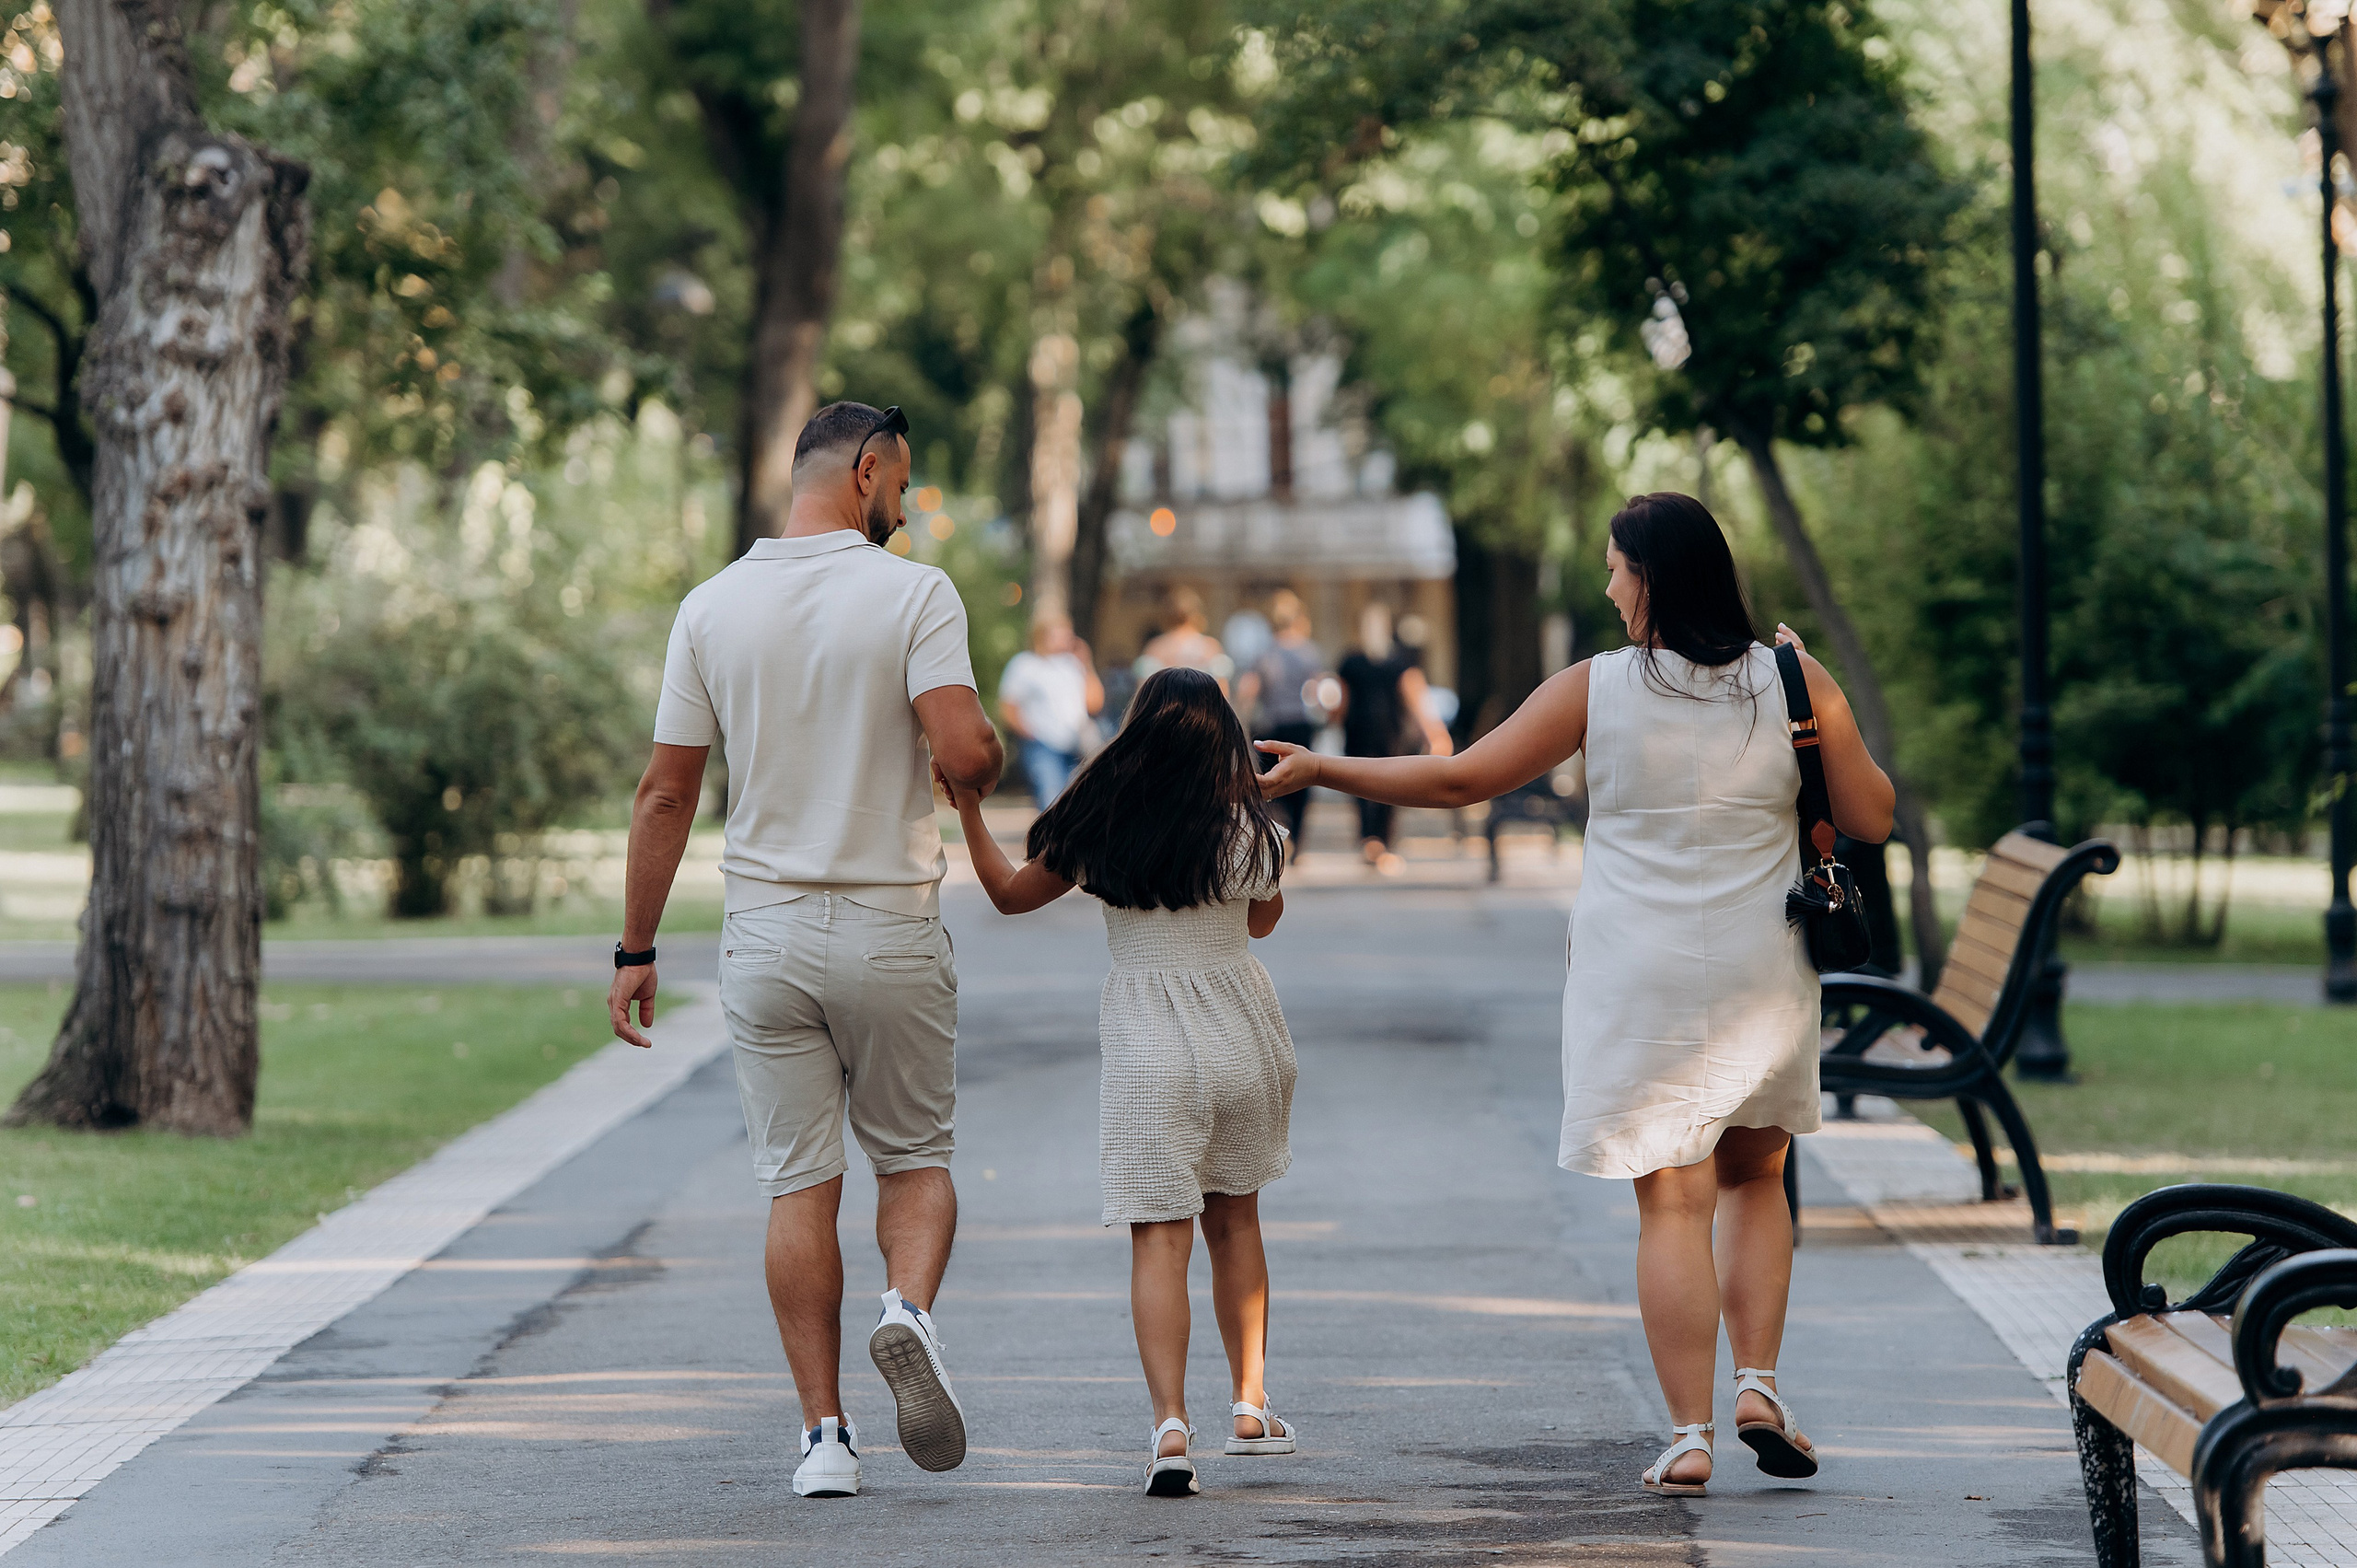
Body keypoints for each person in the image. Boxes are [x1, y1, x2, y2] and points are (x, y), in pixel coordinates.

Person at [1255, 493, 1895, 1497]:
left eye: (1616, 568)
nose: (1606, 586)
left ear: (1653, 580)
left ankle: (1688, 1435)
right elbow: (1870, 813)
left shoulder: (1596, 686)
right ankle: (1758, 1384)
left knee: (1670, 1200)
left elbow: (1461, 779)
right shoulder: (1788, 678)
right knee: (1755, 1177)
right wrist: (1813, 700)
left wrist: (1321, 767)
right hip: (1760, 972)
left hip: (1637, 973)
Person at [608, 401, 1004, 1500]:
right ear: (866, 470)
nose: (904, 508)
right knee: (914, 1158)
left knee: (797, 1184)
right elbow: (968, 751)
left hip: (765, 934)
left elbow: (665, 793)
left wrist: (634, 947)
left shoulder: (710, 606)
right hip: (886, 922)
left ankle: (824, 1435)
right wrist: (978, 753)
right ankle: (905, 1310)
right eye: (902, 486)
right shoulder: (914, 593)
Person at [941, 668, 1301, 1499]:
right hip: (1241, 1038)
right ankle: (1250, 1404)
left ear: (1135, 737)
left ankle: (1170, 1427)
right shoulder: (1253, 832)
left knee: (1160, 1239)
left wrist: (966, 809)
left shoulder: (1101, 824)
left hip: (1149, 1048)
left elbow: (1008, 895)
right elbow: (1262, 919)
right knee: (1237, 1224)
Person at [1331, 602, 1453, 875]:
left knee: (1366, 789)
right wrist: (1435, 733)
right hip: (1383, 735)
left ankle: (1373, 842)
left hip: (1368, 734)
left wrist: (1435, 733)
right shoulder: (1393, 661)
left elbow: (1413, 697)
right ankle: (1377, 843)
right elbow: (1416, 698)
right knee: (1383, 790)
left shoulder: (1355, 661)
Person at [1235, 590, 1328, 856]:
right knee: (1301, 784)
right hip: (1300, 724)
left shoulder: (1265, 653)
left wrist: (1241, 717)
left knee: (1270, 785)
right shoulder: (1309, 652)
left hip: (1270, 727)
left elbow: (1249, 690)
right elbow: (1319, 691)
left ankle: (1278, 835)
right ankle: (1297, 839)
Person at [998, 613, 1104, 805]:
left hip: (1075, 746)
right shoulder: (1024, 664)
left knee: (1076, 803)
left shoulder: (1072, 664)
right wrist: (1030, 733)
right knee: (1051, 801)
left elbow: (1095, 703)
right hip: (1043, 745)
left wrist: (1087, 664)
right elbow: (1009, 706)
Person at [1135, 587, 1233, 691]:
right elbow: (1223, 689)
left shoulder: (1156, 648)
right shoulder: (1210, 647)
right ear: (1197, 614)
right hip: (1202, 700)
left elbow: (1143, 688)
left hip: (1168, 700)